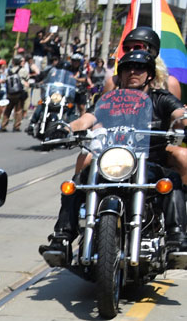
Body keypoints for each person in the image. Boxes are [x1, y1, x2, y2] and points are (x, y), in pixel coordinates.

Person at [42, 49, 187, 260]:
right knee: (77, 183)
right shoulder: (109, 100)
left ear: (150, 74)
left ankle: (177, 239)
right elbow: (86, 119)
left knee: (171, 181)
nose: (133, 72)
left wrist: (184, 119)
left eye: (140, 68)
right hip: (111, 161)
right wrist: (66, 128)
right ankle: (62, 238)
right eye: (127, 68)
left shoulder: (161, 98)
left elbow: (179, 114)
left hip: (149, 163)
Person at [102, 27, 183, 99]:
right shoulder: (114, 82)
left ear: (152, 51)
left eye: (137, 47)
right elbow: (102, 108)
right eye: (126, 48)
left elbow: (176, 110)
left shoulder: (169, 83)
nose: (131, 51)